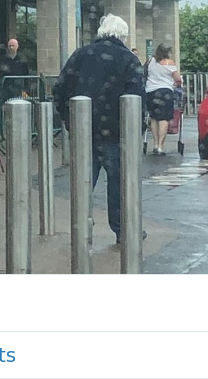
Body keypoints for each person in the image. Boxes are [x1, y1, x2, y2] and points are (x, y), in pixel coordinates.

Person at [53, 13, 145, 245]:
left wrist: (69, 119)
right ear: (123, 35)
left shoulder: (80, 55)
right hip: (116, 131)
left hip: (84, 129)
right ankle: (123, 230)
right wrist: (136, 129)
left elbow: (60, 89)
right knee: (119, 184)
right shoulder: (128, 59)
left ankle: (81, 227)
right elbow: (137, 98)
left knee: (83, 182)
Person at [145, 43, 182, 155]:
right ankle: (161, 146)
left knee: (154, 118)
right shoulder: (169, 63)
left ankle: (155, 144)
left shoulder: (150, 61)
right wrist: (177, 84)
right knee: (163, 119)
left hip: (151, 92)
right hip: (165, 93)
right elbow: (178, 79)